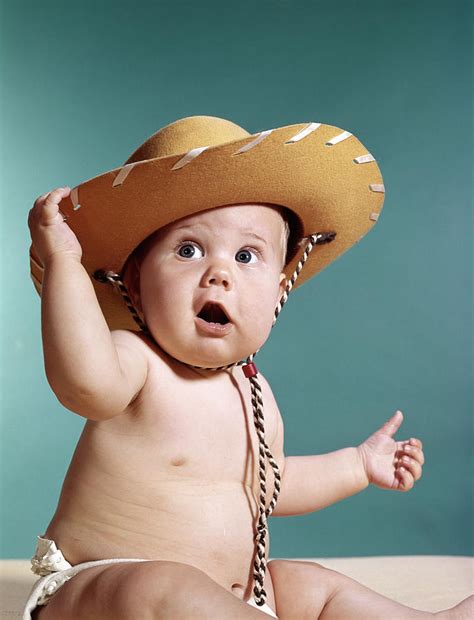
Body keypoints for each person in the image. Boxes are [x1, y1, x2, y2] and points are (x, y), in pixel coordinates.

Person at [24, 116, 473, 619]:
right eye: (188, 250)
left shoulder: (253, 394)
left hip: (231, 601)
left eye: (246, 255)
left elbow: (270, 486)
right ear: (135, 283)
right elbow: (82, 383)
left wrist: (356, 466)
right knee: (161, 585)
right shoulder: (136, 361)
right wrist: (64, 262)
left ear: (280, 290)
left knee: (306, 584)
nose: (218, 273)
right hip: (102, 592)